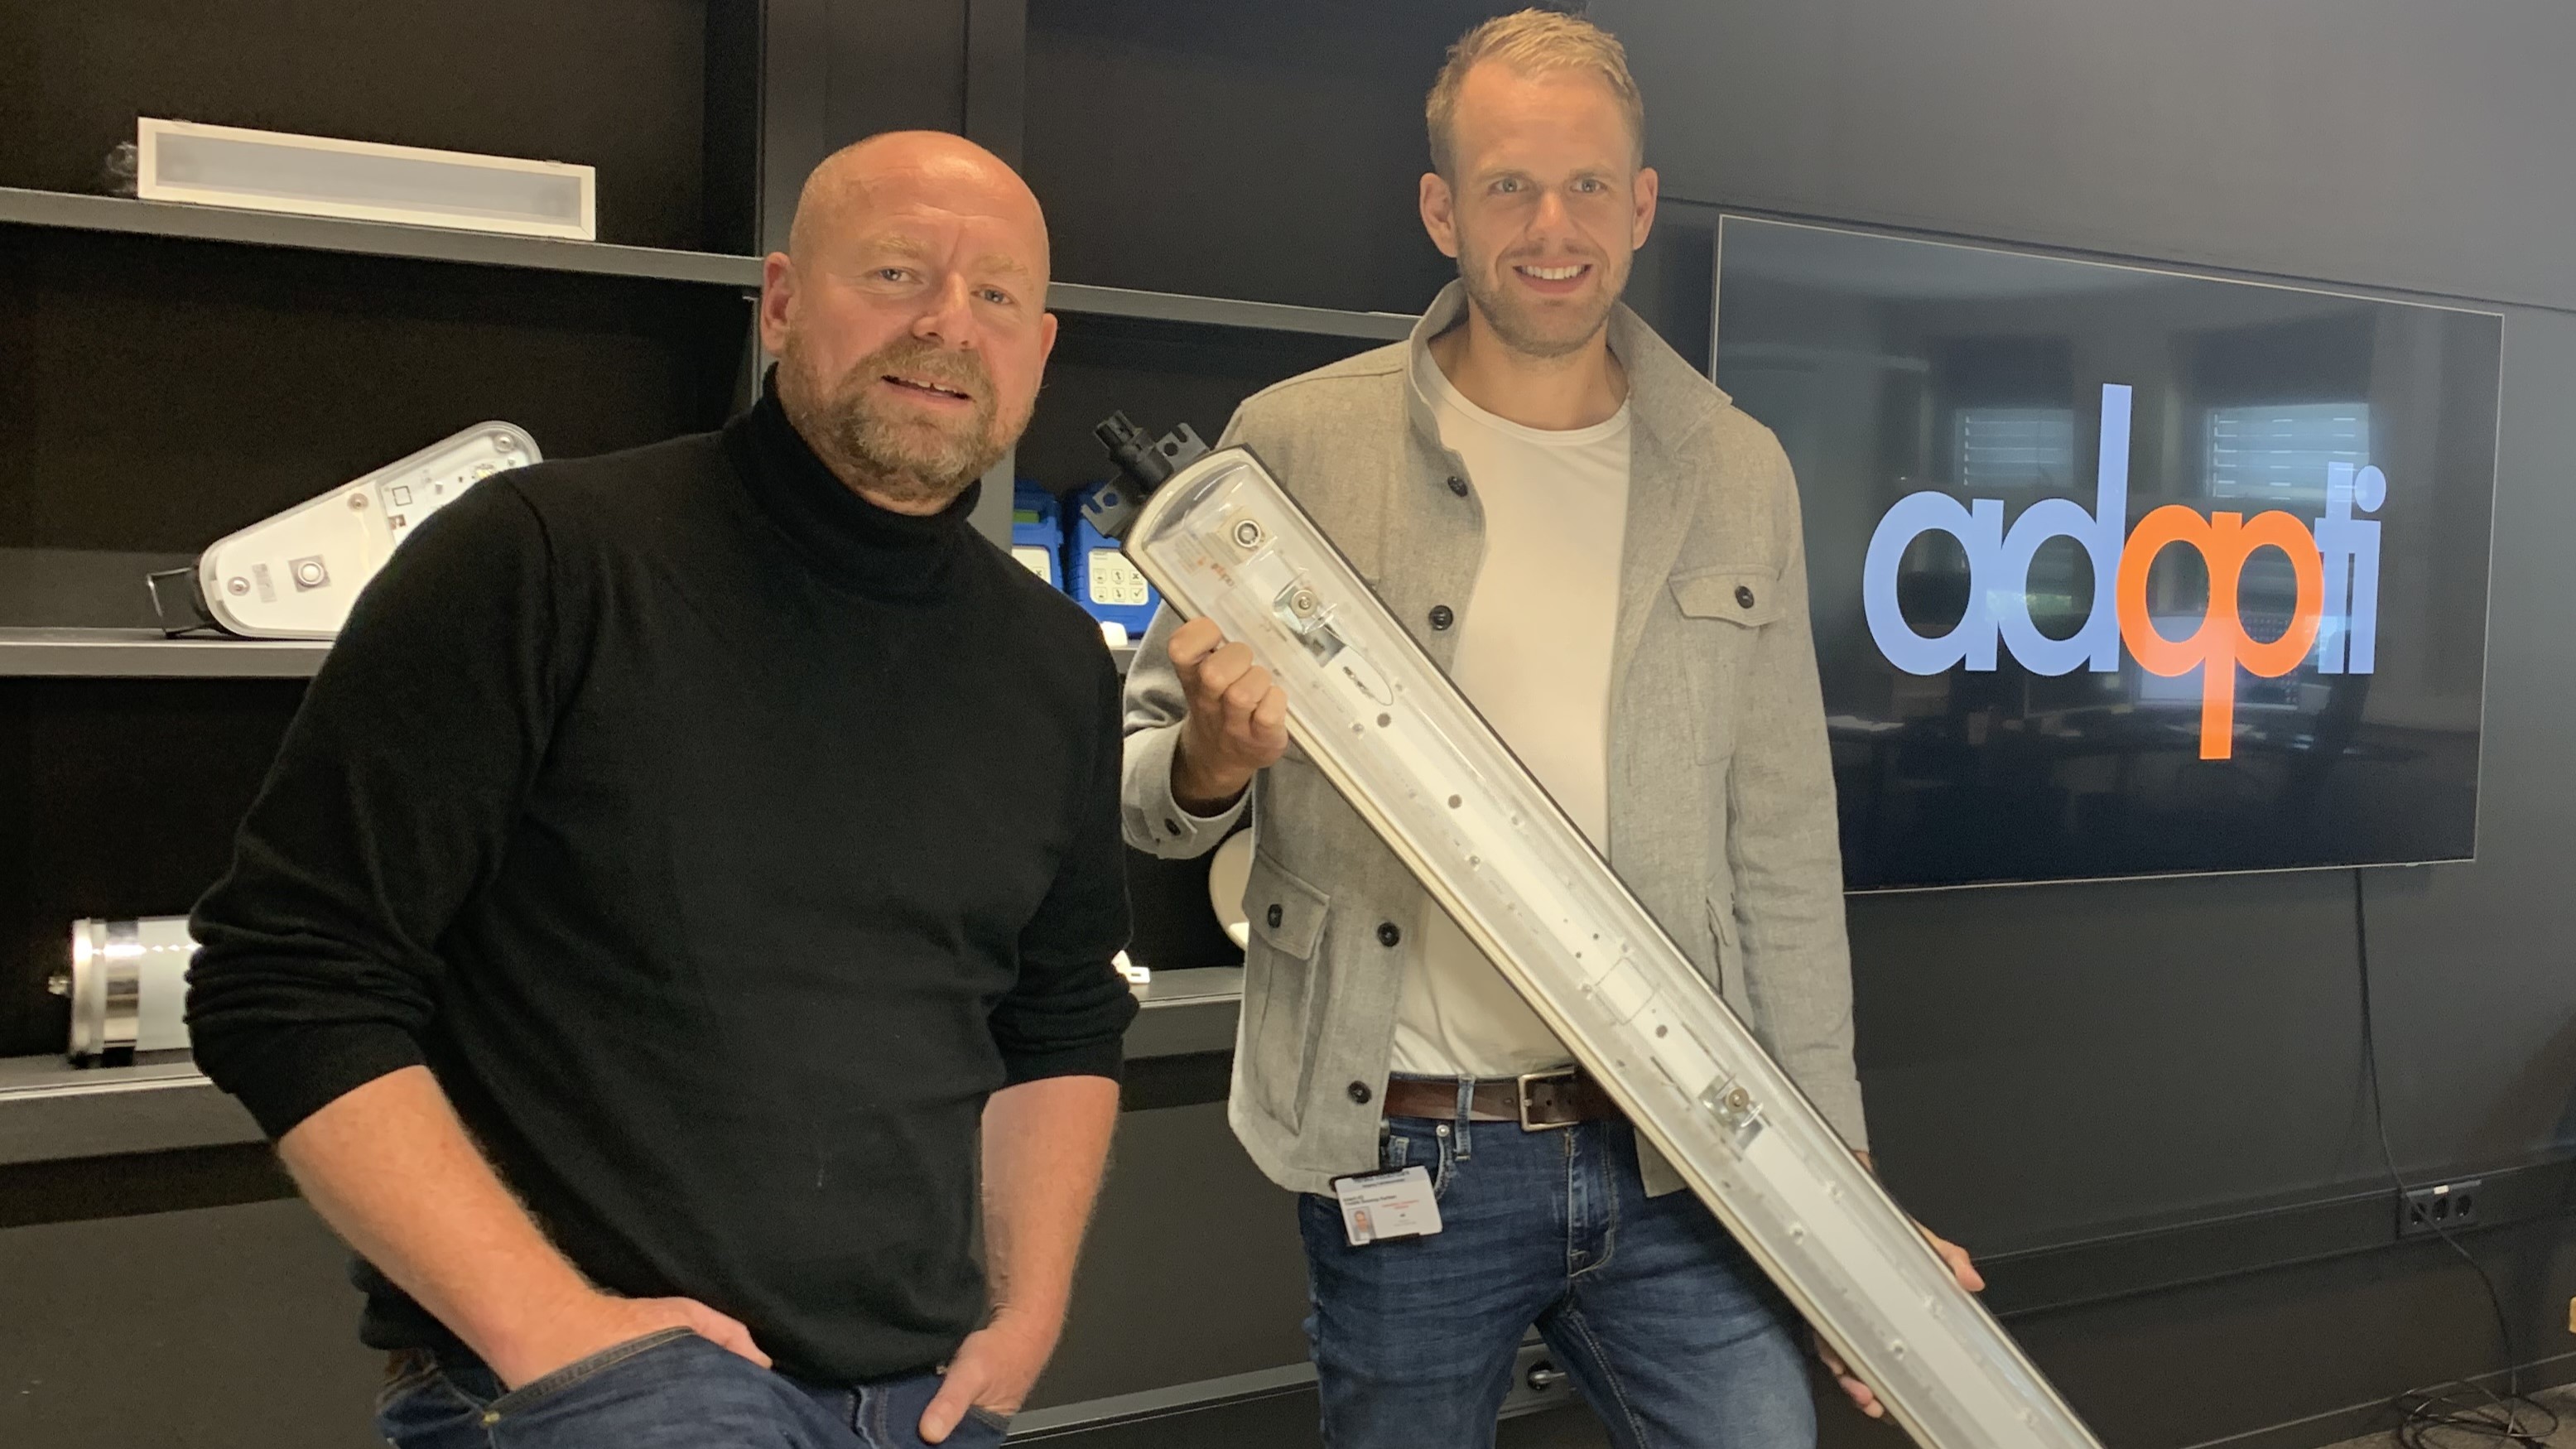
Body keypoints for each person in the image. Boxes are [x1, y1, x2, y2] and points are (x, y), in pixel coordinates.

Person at [186, 131, 1135, 1449]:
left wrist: (1027, 1315)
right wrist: (558, 1333)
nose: (945, 324)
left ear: (1039, 342)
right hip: (592, 1386)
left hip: (921, 1401)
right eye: (898, 270)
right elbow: (284, 975)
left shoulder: (1052, 660)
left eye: (995, 296)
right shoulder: (542, 561)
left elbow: (1062, 1016)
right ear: (784, 301)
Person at [1119, 12, 1980, 1447]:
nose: (1552, 226)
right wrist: (1212, 757)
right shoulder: (1291, 446)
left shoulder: (1736, 468)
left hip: (1681, 1149)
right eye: (1509, 186)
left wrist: (1847, 1195)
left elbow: (1779, 850)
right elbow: (1146, 786)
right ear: (1441, 208)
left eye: (1590, 186)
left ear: (1641, 205)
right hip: (1400, 1146)